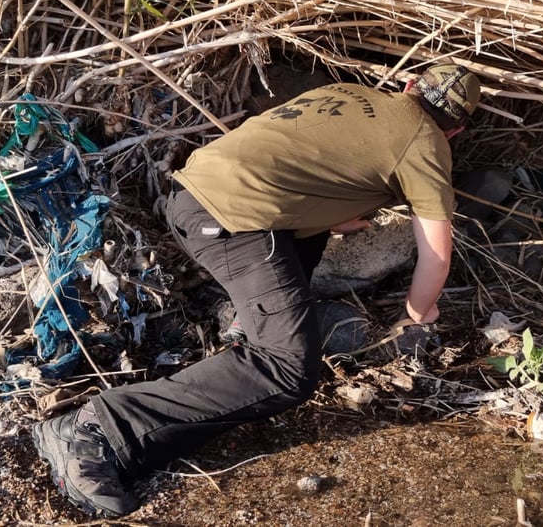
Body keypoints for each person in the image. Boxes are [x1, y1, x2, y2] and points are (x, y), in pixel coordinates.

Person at [31, 63, 482, 516]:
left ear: (407, 86)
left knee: (295, 280)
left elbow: (292, 158)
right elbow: (436, 253)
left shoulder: (345, 91)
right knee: (287, 368)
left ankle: (193, 389)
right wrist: (419, 312)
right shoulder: (426, 143)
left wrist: (333, 212)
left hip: (193, 195)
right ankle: (93, 431)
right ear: (457, 129)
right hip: (236, 222)